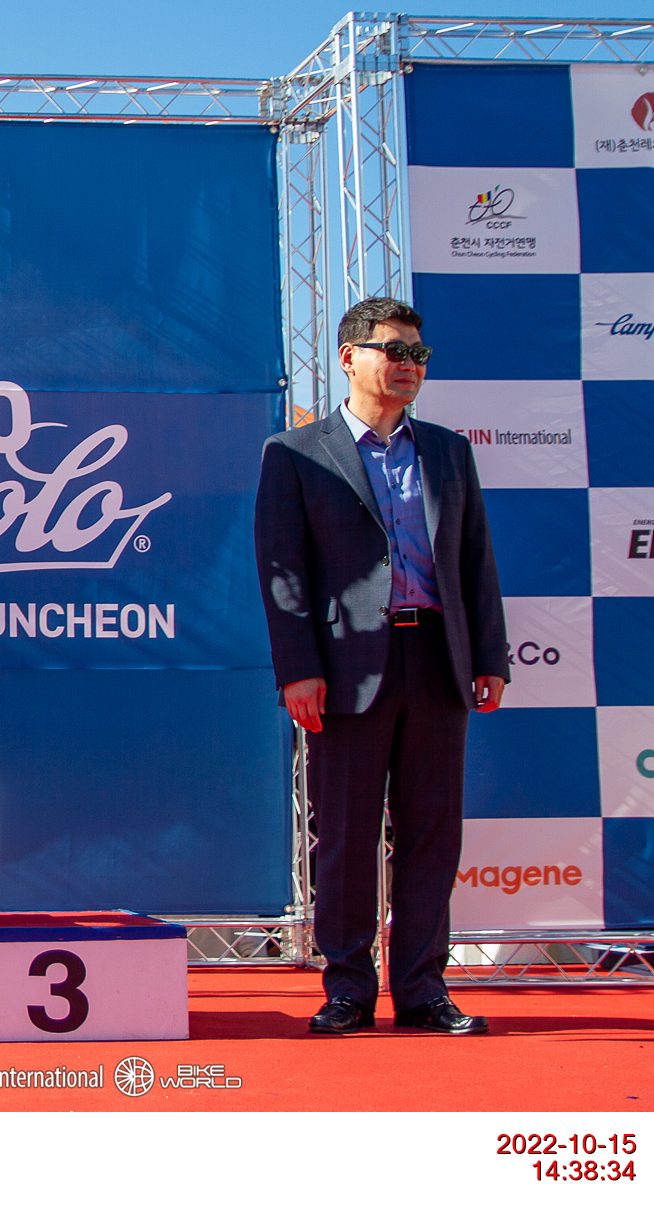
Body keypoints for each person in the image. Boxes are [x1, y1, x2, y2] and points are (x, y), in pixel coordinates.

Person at [254, 295, 509, 1035]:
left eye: (417, 355)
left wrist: (488, 655)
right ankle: (348, 990)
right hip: (344, 671)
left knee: (432, 834)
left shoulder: (449, 452)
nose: (408, 366)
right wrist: (297, 669)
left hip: (437, 660)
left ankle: (424, 989)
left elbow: (474, 559)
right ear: (349, 357)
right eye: (394, 351)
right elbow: (282, 572)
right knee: (344, 834)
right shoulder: (296, 453)